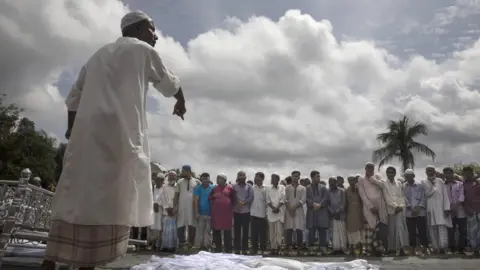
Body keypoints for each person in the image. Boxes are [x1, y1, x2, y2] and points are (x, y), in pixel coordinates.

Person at [42, 10, 186, 270]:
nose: (156, 36)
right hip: (119, 139)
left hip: (85, 140)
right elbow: (168, 83)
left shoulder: (98, 55)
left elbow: (73, 98)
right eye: (152, 29)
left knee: (76, 197)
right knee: (107, 201)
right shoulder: (143, 50)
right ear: (138, 30)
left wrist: (72, 132)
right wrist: (181, 100)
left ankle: (51, 261)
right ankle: (87, 264)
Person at [357, 162, 388, 256]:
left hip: (380, 208)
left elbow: (383, 186)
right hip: (368, 209)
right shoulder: (361, 179)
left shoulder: (377, 177)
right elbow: (362, 195)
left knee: (378, 230)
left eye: (372, 168)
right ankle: (368, 250)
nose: (370, 170)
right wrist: (370, 207)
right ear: (365, 169)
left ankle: (379, 250)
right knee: (369, 230)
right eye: (368, 168)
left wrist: (372, 179)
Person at [422, 165, 451, 254]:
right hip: (430, 208)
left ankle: (442, 247)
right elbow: (428, 194)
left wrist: (447, 208)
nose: (429, 172)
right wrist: (432, 183)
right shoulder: (424, 182)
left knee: (441, 227)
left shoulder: (440, 181)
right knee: (432, 228)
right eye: (427, 171)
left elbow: (445, 194)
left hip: (440, 208)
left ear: (434, 171)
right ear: (426, 172)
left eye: (431, 171)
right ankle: (435, 247)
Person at [382, 166, 409, 255]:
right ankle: (391, 249)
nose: (390, 174)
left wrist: (400, 206)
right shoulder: (384, 183)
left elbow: (401, 196)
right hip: (390, 210)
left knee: (400, 229)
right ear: (386, 173)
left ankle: (401, 248)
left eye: (392, 172)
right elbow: (387, 198)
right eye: (388, 172)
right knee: (391, 230)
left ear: (394, 173)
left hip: (400, 210)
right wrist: (395, 207)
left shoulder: (398, 183)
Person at [403, 169, 428, 255]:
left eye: (410, 175)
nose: (408, 177)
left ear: (413, 176)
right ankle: (412, 249)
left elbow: (423, 197)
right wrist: (410, 207)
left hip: (420, 212)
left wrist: (419, 207)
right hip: (410, 213)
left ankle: (425, 247)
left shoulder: (420, 185)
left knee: (422, 230)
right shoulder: (403, 186)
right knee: (411, 231)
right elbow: (403, 198)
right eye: (406, 176)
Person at [175, 165, 200, 249]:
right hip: (181, 206)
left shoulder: (197, 181)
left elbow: (200, 195)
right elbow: (176, 195)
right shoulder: (179, 181)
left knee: (192, 224)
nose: (182, 173)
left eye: (183, 171)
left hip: (192, 207)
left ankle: (190, 243)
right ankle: (182, 243)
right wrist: (175, 206)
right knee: (180, 224)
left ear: (188, 171)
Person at [443, 167, 467, 253]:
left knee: (462, 230)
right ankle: (452, 248)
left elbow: (462, 196)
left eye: (449, 173)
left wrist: (455, 206)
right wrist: (448, 208)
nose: (447, 175)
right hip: (448, 212)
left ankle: (461, 248)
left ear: (453, 173)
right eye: (445, 173)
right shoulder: (443, 185)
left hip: (460, 210)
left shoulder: (460, 184)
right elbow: (443, 199)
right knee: (450, 230)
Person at [306, 170, 329, 254]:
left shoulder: (323, 187)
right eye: (317, 176)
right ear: (312, 178)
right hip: (312, 212)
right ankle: (311, 249)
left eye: (319, 176)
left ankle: (322, 248)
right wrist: (313, 204)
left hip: (321, 211)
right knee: (311, 230)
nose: (318, 178)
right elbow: (306, 199)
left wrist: (319, 205)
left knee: (322, 230)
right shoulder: (307, 188)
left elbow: (326, 197)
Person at [209, 173, 234, 253]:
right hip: (217, 213)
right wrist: (214, 196)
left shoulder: (230, 188)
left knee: (227, 232)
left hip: (227, 213)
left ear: (224, 180)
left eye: (219, 178)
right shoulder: (214, 188)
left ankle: (228, 249)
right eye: (217, 178)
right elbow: (209, 197)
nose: (217, 180)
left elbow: (233, 199)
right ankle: (218, 249)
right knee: (217, 231)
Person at [284, 171, 307, 255]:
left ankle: (299, 249)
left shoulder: (303, 188)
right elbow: (285, 199)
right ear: (291, 177)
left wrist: (293, 208)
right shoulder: (287, 187)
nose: (294, 178)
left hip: (298, 211)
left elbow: (303, 200)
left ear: (299, 177)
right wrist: (290, 209)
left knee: (299, 229)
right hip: (289, 210)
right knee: (289, 229)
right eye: (293, 176)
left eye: (296, 176)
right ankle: (289, 248)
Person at [233, 171, 253, 254]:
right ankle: (237, 249)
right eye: (240, 175)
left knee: (245, 231)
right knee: (237, 231)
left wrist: (244, 202)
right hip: (237, 211)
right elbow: (233, 196)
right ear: (238, 177)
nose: (241, 177)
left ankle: (245, 249)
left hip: (246, 212)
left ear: (245, 177)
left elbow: (251, 197)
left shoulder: (249, 186)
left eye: (243, 175)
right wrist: (237, 202)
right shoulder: (234, 186)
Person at [461, 166, 480, 255]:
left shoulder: (478, 182)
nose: (467, 175)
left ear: (472, 173)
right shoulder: (462, 184)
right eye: (466, 174)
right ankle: (474, 248)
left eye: (469, 173)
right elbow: (462, 199)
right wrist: (468, 209)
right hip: (470, 210)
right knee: (472, 231)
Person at [193, 173, 214, 250]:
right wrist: (196, 212)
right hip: (200, 213)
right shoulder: (198, 188)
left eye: (207, 179)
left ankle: (207, 246)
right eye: (203, 179)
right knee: (200, 231)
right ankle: (199, 246)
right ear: (201, 179)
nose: (205, 180)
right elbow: (195, 201)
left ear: (209, 179)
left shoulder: (213, 188)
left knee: (208, 231)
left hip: (210, 213)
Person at [266, 173, 285, 255]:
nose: (271, 180)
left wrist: (277, 207)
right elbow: (267, 200)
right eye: (271, 178)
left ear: (277, 179)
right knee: (272, 232)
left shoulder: (282, 187)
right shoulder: (268, 188)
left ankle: (278, 247)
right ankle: (273, 248)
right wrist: (273, 208)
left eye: (273, 178)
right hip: (271, 212)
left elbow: (283, 198)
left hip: (279, 212)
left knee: (279, 232)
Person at [345, 175, 364, 255]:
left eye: (353, 180)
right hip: (350, 213)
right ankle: (352, 247)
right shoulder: (346, 191)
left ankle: (359, 248)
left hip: (359, 212)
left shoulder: (359, 190)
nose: (351, 182)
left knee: (359, 231)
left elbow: (362, 201)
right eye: (350, 180)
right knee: (350, 230)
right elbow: (345, 203)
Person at [328, 177, 347, 254]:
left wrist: (337, 211)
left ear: (336, 182)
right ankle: (336, 249)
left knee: (342, 231)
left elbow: (343, 203)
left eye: (333, 182)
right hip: (332, 215)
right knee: (334, 232)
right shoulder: (328, 191)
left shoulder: (342, 191)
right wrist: (332, 212)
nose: (331, 183)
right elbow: (327, 203)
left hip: (340, 214)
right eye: (330, 182)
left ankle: (343, 248)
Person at [250, 172, 268, 255]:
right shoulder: (252, 188)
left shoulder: (266, 189)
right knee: (254, 234)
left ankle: (263, 249)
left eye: (257, 177)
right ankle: (254, 249)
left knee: (263, 234)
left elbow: (267, 201)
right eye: (255, 177)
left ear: (262, 179)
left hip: (263, 215)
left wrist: (267, 214)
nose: (255, 178)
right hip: (253, 215)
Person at [161, 171, 179, 253]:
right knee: (166, 230)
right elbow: (162, 198)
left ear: (176, 177)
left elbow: (179, 199)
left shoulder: (178, 187)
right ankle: (165, 246)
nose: (171, 177)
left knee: (174, 230)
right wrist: (167, 208)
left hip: (175, 212)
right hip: (166, 211)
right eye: (170, 176)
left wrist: (175, 208)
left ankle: (173, 247)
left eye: (173, 176)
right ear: (168, 177)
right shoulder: (164, 187)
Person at [150, 173, 165, 250]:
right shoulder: (153, 188)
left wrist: (158, 204)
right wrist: (153, 203)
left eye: (160, 180)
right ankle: (153, 244)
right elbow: (150, 197)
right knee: (152, 227)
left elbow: (164, 199)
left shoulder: (164, 189)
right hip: (152, 210)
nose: (158, 181)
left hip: (160, 210)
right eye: (157, 179)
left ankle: (159, 244)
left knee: (160, 227)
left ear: (163, 181)